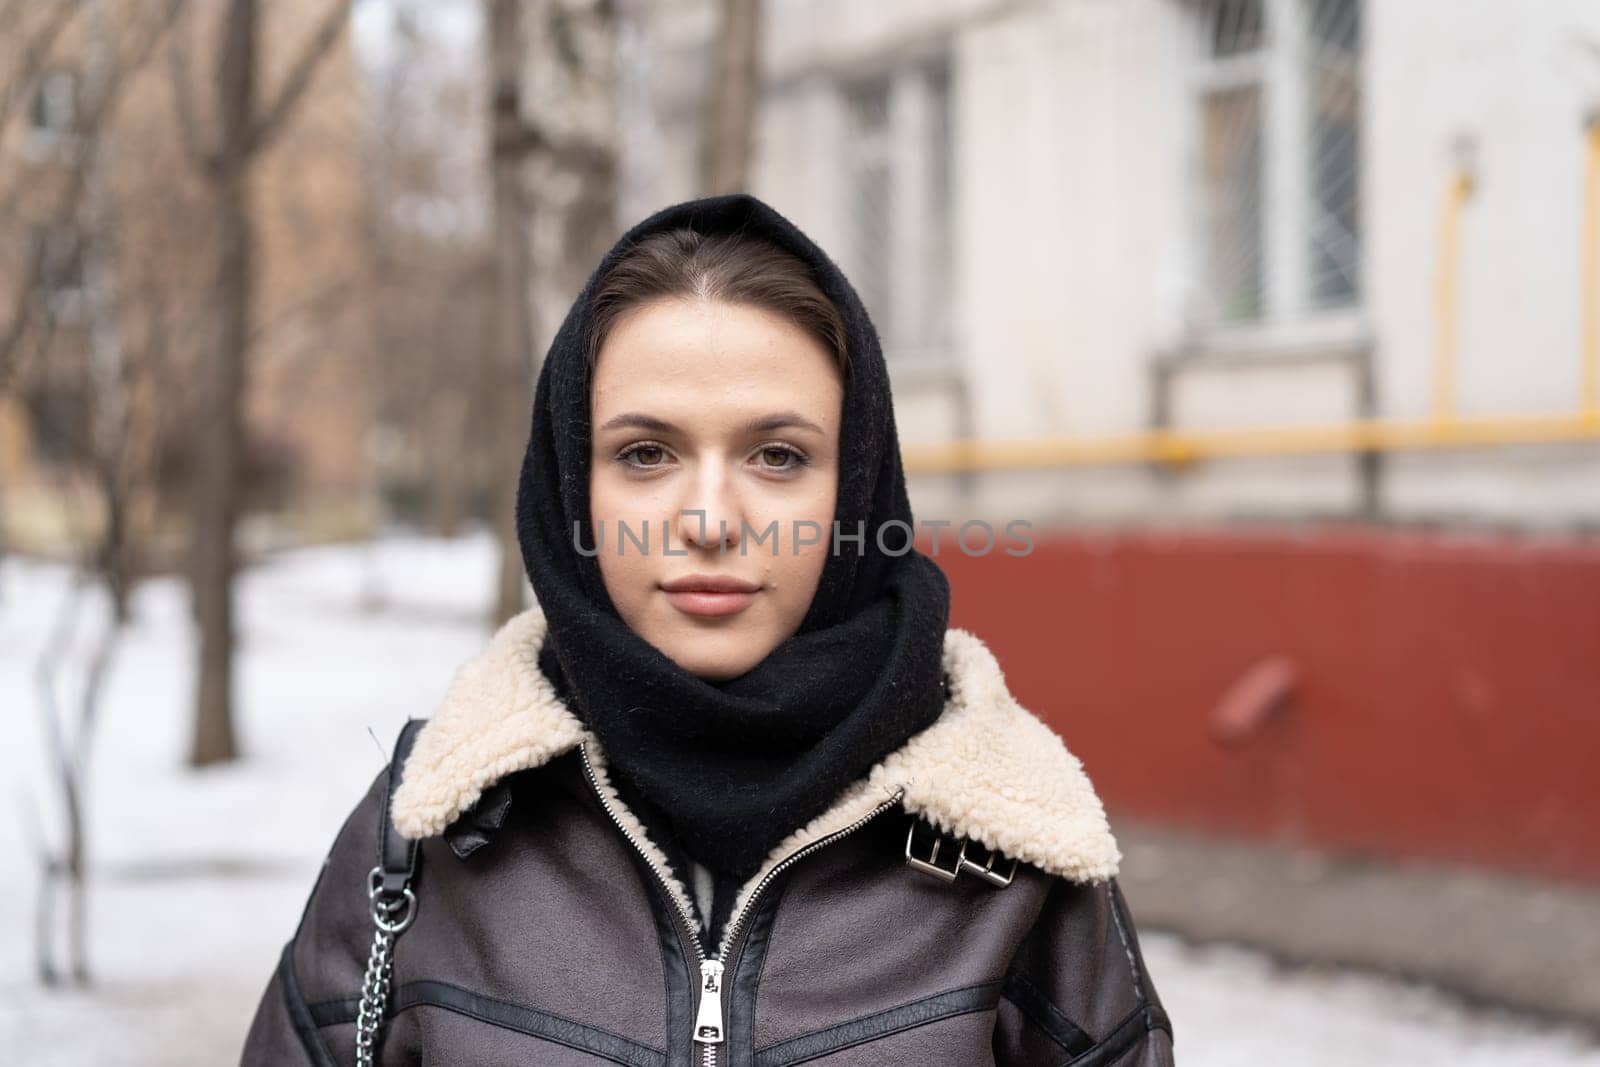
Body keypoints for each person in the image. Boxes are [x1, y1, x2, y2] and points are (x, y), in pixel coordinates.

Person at [241, 193, 1175, 1066]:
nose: (710, 518)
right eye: (646, 453)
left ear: (853, 485)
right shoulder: (429, 831)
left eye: (778, 455)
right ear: (575, 483)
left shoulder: (1015, 851)